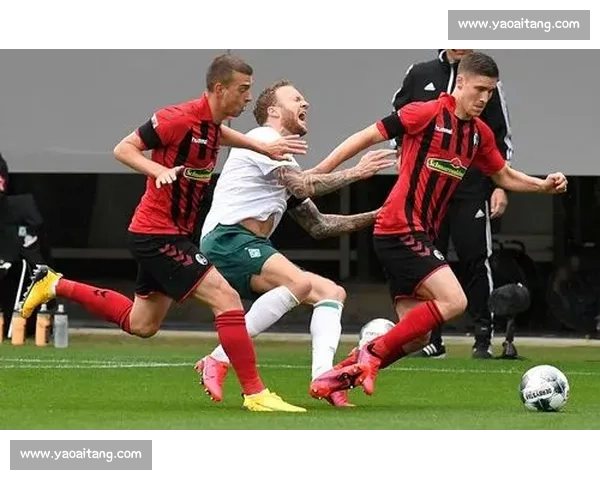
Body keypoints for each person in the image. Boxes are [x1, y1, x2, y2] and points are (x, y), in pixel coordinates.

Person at [19, 54, 309, 413]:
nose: (248, 97)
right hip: (159, 235)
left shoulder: (212, 125)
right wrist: (157, 170)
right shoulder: (177, 118)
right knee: (227, 298)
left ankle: (54, 284)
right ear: (219, 89)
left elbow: (218, 134)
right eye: (243, 89)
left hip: (167, 234)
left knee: (142, 324)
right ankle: (255, 393)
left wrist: (261, 146)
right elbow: (123, 149)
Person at [308, 51, 567, 398]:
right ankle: (371, 353)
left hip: (415, 234)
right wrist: (317, 173)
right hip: (400, 227)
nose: (484, 98)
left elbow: (503, 174)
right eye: (479, 89)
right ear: (461, 82)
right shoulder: (425, 113)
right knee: (455, 300)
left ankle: (334, 382)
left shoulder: (478, 134)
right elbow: (365, 136)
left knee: (418, 336)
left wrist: (543, 186)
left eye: (490, 91)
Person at [197, 80, 394, 407]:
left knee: (331, 292)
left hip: (246, 246)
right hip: (227, 239)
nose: (306, 104)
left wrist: (379, 215)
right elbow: (303, 186)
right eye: (296, 99)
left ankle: (324, 378)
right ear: (273, 111)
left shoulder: (281, 161)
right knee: (299, 283)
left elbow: (319, 225)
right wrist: (356, 173)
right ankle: (217, 359)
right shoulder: (263, 137)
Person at [391, 48, 515, 359]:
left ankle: (483, 338)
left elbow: (500, 136)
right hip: (427, 191)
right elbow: (398, 118)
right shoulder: (419, 72)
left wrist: (499, 186)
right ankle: (432, 340)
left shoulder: (486, 82)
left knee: (476, 258)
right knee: (430, 261)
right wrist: (401, 153)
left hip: (470, 186)